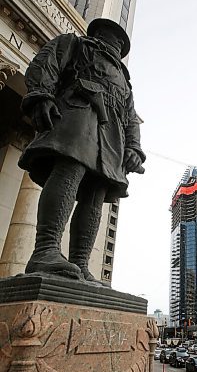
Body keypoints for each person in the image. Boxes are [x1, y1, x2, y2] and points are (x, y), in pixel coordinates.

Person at [18, 19, 145, 282]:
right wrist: (41, 94)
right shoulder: (74, 43)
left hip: (111, 138)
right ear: (98, 33)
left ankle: (79, 262)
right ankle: (45, 249)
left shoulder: (125, 80)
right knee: (69, 171)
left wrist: (134, 147)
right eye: (113, 37)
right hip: (77, 116)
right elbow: (46, 63)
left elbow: (131, 116)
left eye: (121, 43)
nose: (117, 44)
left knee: (96, 193)